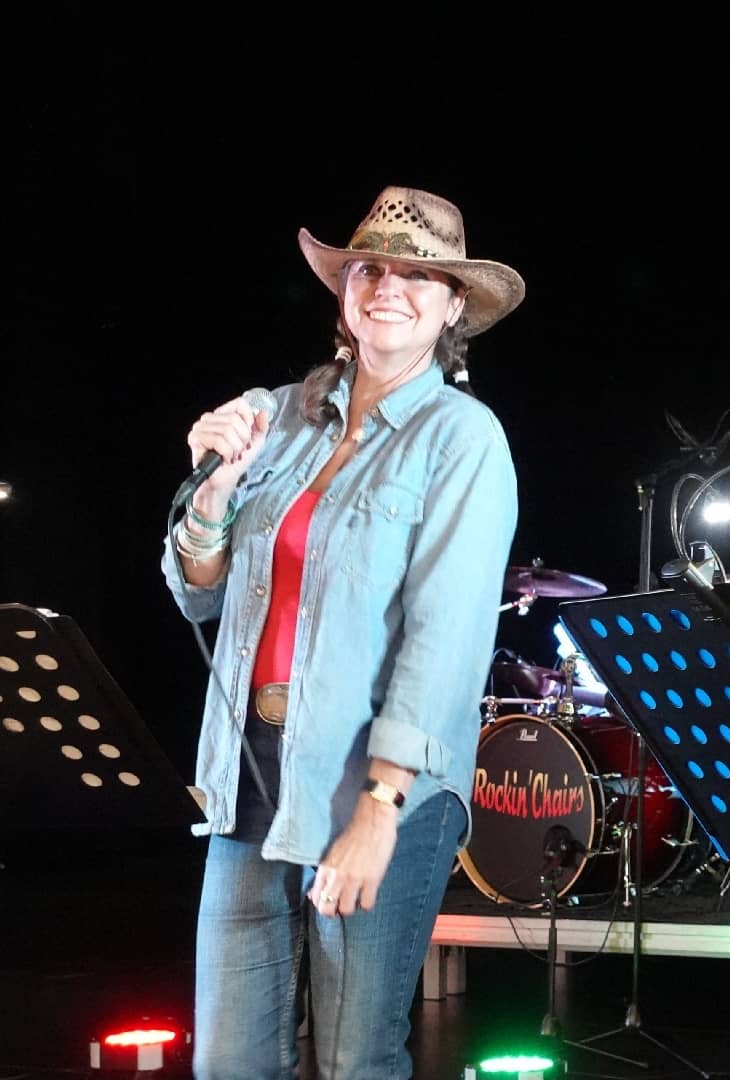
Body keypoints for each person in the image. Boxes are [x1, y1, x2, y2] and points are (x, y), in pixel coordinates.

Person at [161, 186, 522, 1077]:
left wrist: (377, 810)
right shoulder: (274, 414)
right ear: (344, 291)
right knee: (230, 1060)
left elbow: (446, 638)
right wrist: (211, 493)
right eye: (369, 268)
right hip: (252, 769)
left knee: (356, 1059)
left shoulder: (463, 438)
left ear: (452, 308)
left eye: (417, 274)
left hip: (376, 783)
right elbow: (198, 594)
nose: (387, 285)